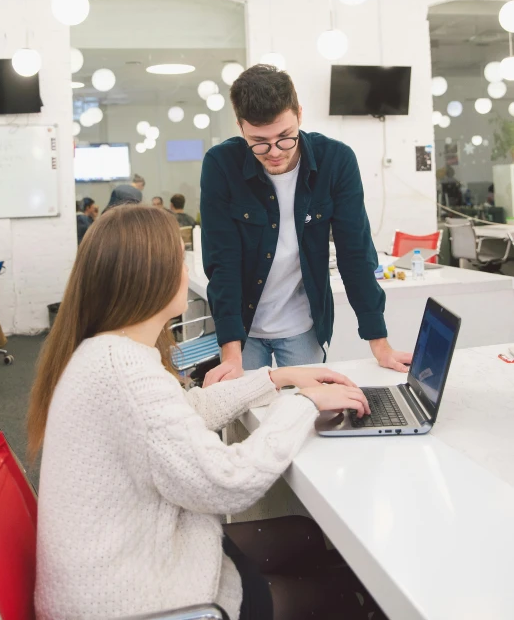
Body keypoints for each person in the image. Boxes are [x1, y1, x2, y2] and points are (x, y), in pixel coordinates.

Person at [27, 204, 377, 620]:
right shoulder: (124, 372)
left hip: (132, 564)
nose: (188, 270)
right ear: (150, 276)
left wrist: (278, 378)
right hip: (133, 600)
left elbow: (182, 410)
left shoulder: (107, 352)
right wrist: (304, 404)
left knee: (305, 536)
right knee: (339, 592)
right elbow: (227, 482)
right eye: (180, 259)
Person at [201, 64, 412, 382]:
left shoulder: (336, 161)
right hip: (242, 329)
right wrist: (231, 355)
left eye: (285, 137)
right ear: (239, 126)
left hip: (303, 326)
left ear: (299, 114)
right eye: (259, 141)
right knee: (245, 416)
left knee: (309, 415)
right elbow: (222, 262)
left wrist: (380, 344)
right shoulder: (221, 165)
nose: (274, 152)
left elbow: (354, 254)